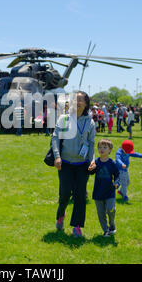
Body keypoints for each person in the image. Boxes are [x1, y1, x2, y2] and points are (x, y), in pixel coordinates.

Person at [52, 91, 95, 238]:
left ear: (86, 103)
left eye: (81, 100)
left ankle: (77, 226)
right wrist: (57, 157)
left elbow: (91, 143)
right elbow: (55, 139)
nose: (77, 102)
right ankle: (61, 214)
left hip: (82, 164)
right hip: (65, 163)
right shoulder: (63, 119)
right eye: (75, 99)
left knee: (80, 196)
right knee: (64, 195)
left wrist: (92, 160)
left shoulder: (90, 121)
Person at [88, 139, 120, 237]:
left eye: (105, 147)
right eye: (100, 147)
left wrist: (116, 183)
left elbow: (117, 175)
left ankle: (112, 225)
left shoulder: (112, 163)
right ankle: (105, 230)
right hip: (98, 192)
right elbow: (91, 172)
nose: (102, 149)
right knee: (101, 214)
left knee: (111, 210)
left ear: (110, 150)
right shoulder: (96, 162)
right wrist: (90, 169)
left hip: (109, 192)